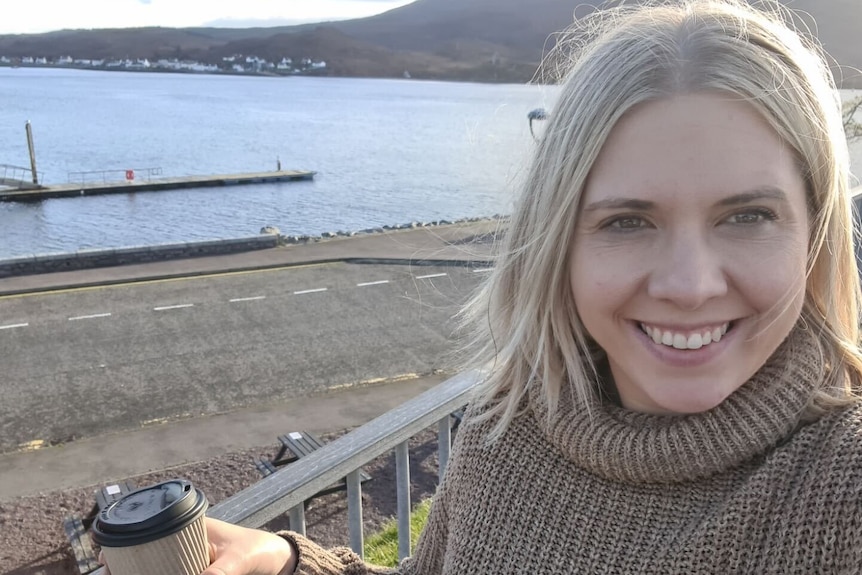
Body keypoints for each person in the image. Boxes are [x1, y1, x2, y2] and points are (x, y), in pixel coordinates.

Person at [111, 1, 862, 573]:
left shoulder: (841, 484)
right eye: (629, 222)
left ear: (817, 234)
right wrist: (293, 561)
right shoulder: (511, 427)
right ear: (557, 241)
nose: (691, 285)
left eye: (750, 215)